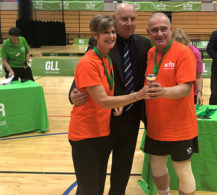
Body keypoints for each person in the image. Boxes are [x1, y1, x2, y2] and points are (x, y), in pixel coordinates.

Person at [69, 4, 152, 195]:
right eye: (124, 19)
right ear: (115, 18)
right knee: (94, 177)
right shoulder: (100, 47)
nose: (129, 23)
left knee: (123, 169)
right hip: (104, 122)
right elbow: (82, 78)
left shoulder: (144, 44)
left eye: (133, 18)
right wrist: (73, 93)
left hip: (130, 119)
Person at [144, 13, 198, 195]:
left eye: (163, 29)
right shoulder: (151, 53)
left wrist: (164, 91)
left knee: (183, 170)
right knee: (156, 166)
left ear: (171, 29)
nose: (159, 34)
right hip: (156, 126)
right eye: (154, 30)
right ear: (148, 33)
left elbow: (186, 88)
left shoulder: (184, 53)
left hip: (181, 127)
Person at [172, 28, 203, 105]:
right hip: (173, 91)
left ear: (188, 42)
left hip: (192, 92)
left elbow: (198, 76)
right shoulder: (169, 51)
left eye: (184, 45)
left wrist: (199, 92)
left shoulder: (196, 53)